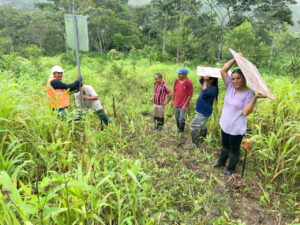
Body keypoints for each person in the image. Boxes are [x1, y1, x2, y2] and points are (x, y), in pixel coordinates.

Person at [211, 54, 267, 175]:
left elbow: (246, 112)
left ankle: (231, 168)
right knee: (225, 145)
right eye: (233, 78)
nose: (235, 81)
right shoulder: (230, 87)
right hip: (225, 123)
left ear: (244, 79)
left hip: (236, 127)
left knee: (234, 149)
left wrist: (256, 97)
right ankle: (221, 162)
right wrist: (235, 59)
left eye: (238, 78)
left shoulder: (249, 94)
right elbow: (223, 70)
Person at [189, 75, 218, 147]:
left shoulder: (212, 89)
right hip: (203, 109)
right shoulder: (209, 85)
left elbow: (203, 92)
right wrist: (202, 72)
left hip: (203, 111)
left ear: (212, 80)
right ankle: (202, 139)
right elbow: (201, 80)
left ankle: (195, 144)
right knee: (203, 125)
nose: (205, 80)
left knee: (193, 125)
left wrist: (205, 80)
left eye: (208, 79)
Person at [171, 67, 193, 132]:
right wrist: (172, 101)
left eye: (180, 74)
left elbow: (190, 95)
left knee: (182, 119)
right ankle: (178, 129)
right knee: (177, 118)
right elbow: (174, 91)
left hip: (184, 104)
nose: (178, 75)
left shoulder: (189, 82)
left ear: (184, 75)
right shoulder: (177, 80)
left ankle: (181, 131)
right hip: (176, 103)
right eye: (178, 74)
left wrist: (185, 105)